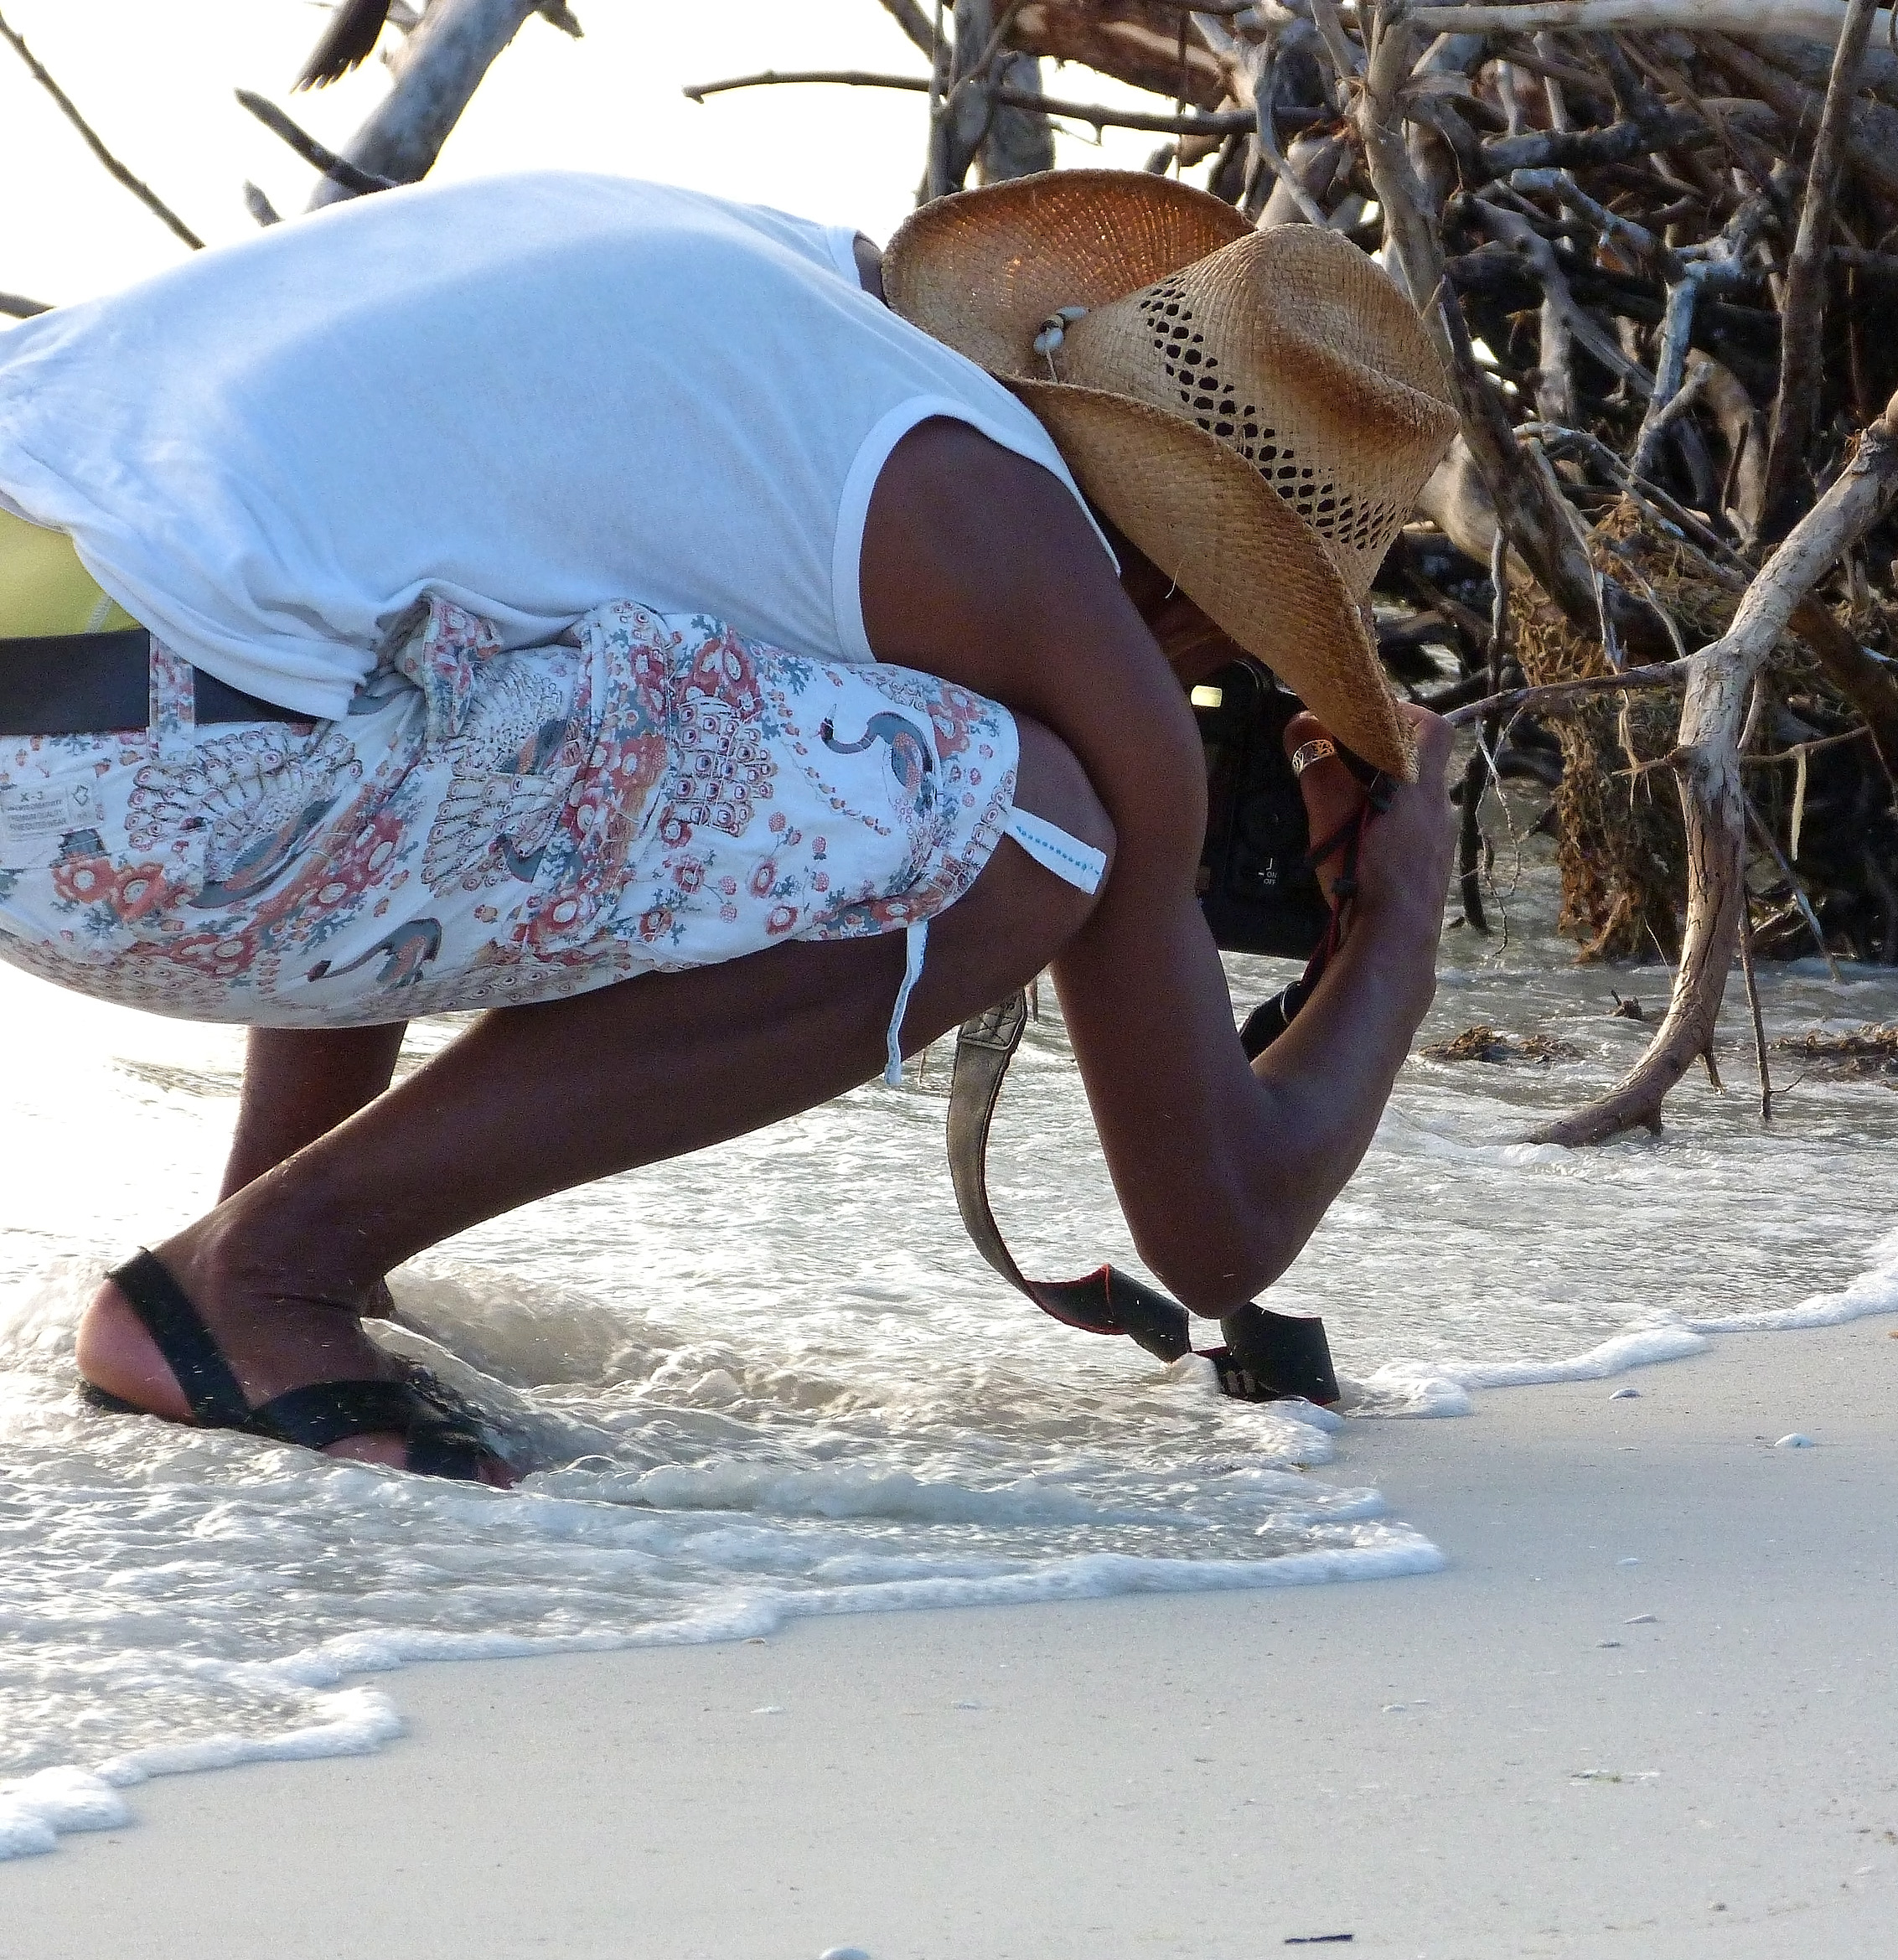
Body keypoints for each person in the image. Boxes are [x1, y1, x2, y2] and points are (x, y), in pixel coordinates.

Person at [0, 168, 1459, 1485]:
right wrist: (1395, 923)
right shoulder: (1016, 555)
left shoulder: (782, 294)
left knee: (462, 654)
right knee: (1035, 826)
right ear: (1197, 599)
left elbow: (402, 614)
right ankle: (264, 1274)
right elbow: (1219, 1232)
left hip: (73, 669)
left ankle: (264, 1245)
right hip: (109, 774)